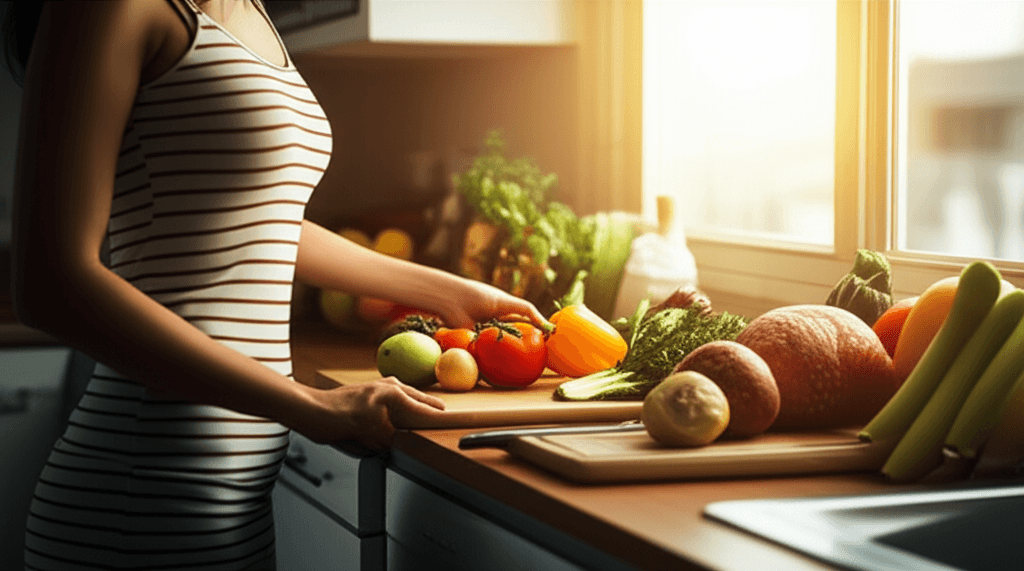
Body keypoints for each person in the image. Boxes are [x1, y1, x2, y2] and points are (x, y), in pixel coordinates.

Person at [3, 1, 546, 569]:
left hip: (232, 507)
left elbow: (260, 216)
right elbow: (51, 285)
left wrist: (447, 291)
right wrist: (308, 405)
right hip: (137, 503)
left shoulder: (246, 9)